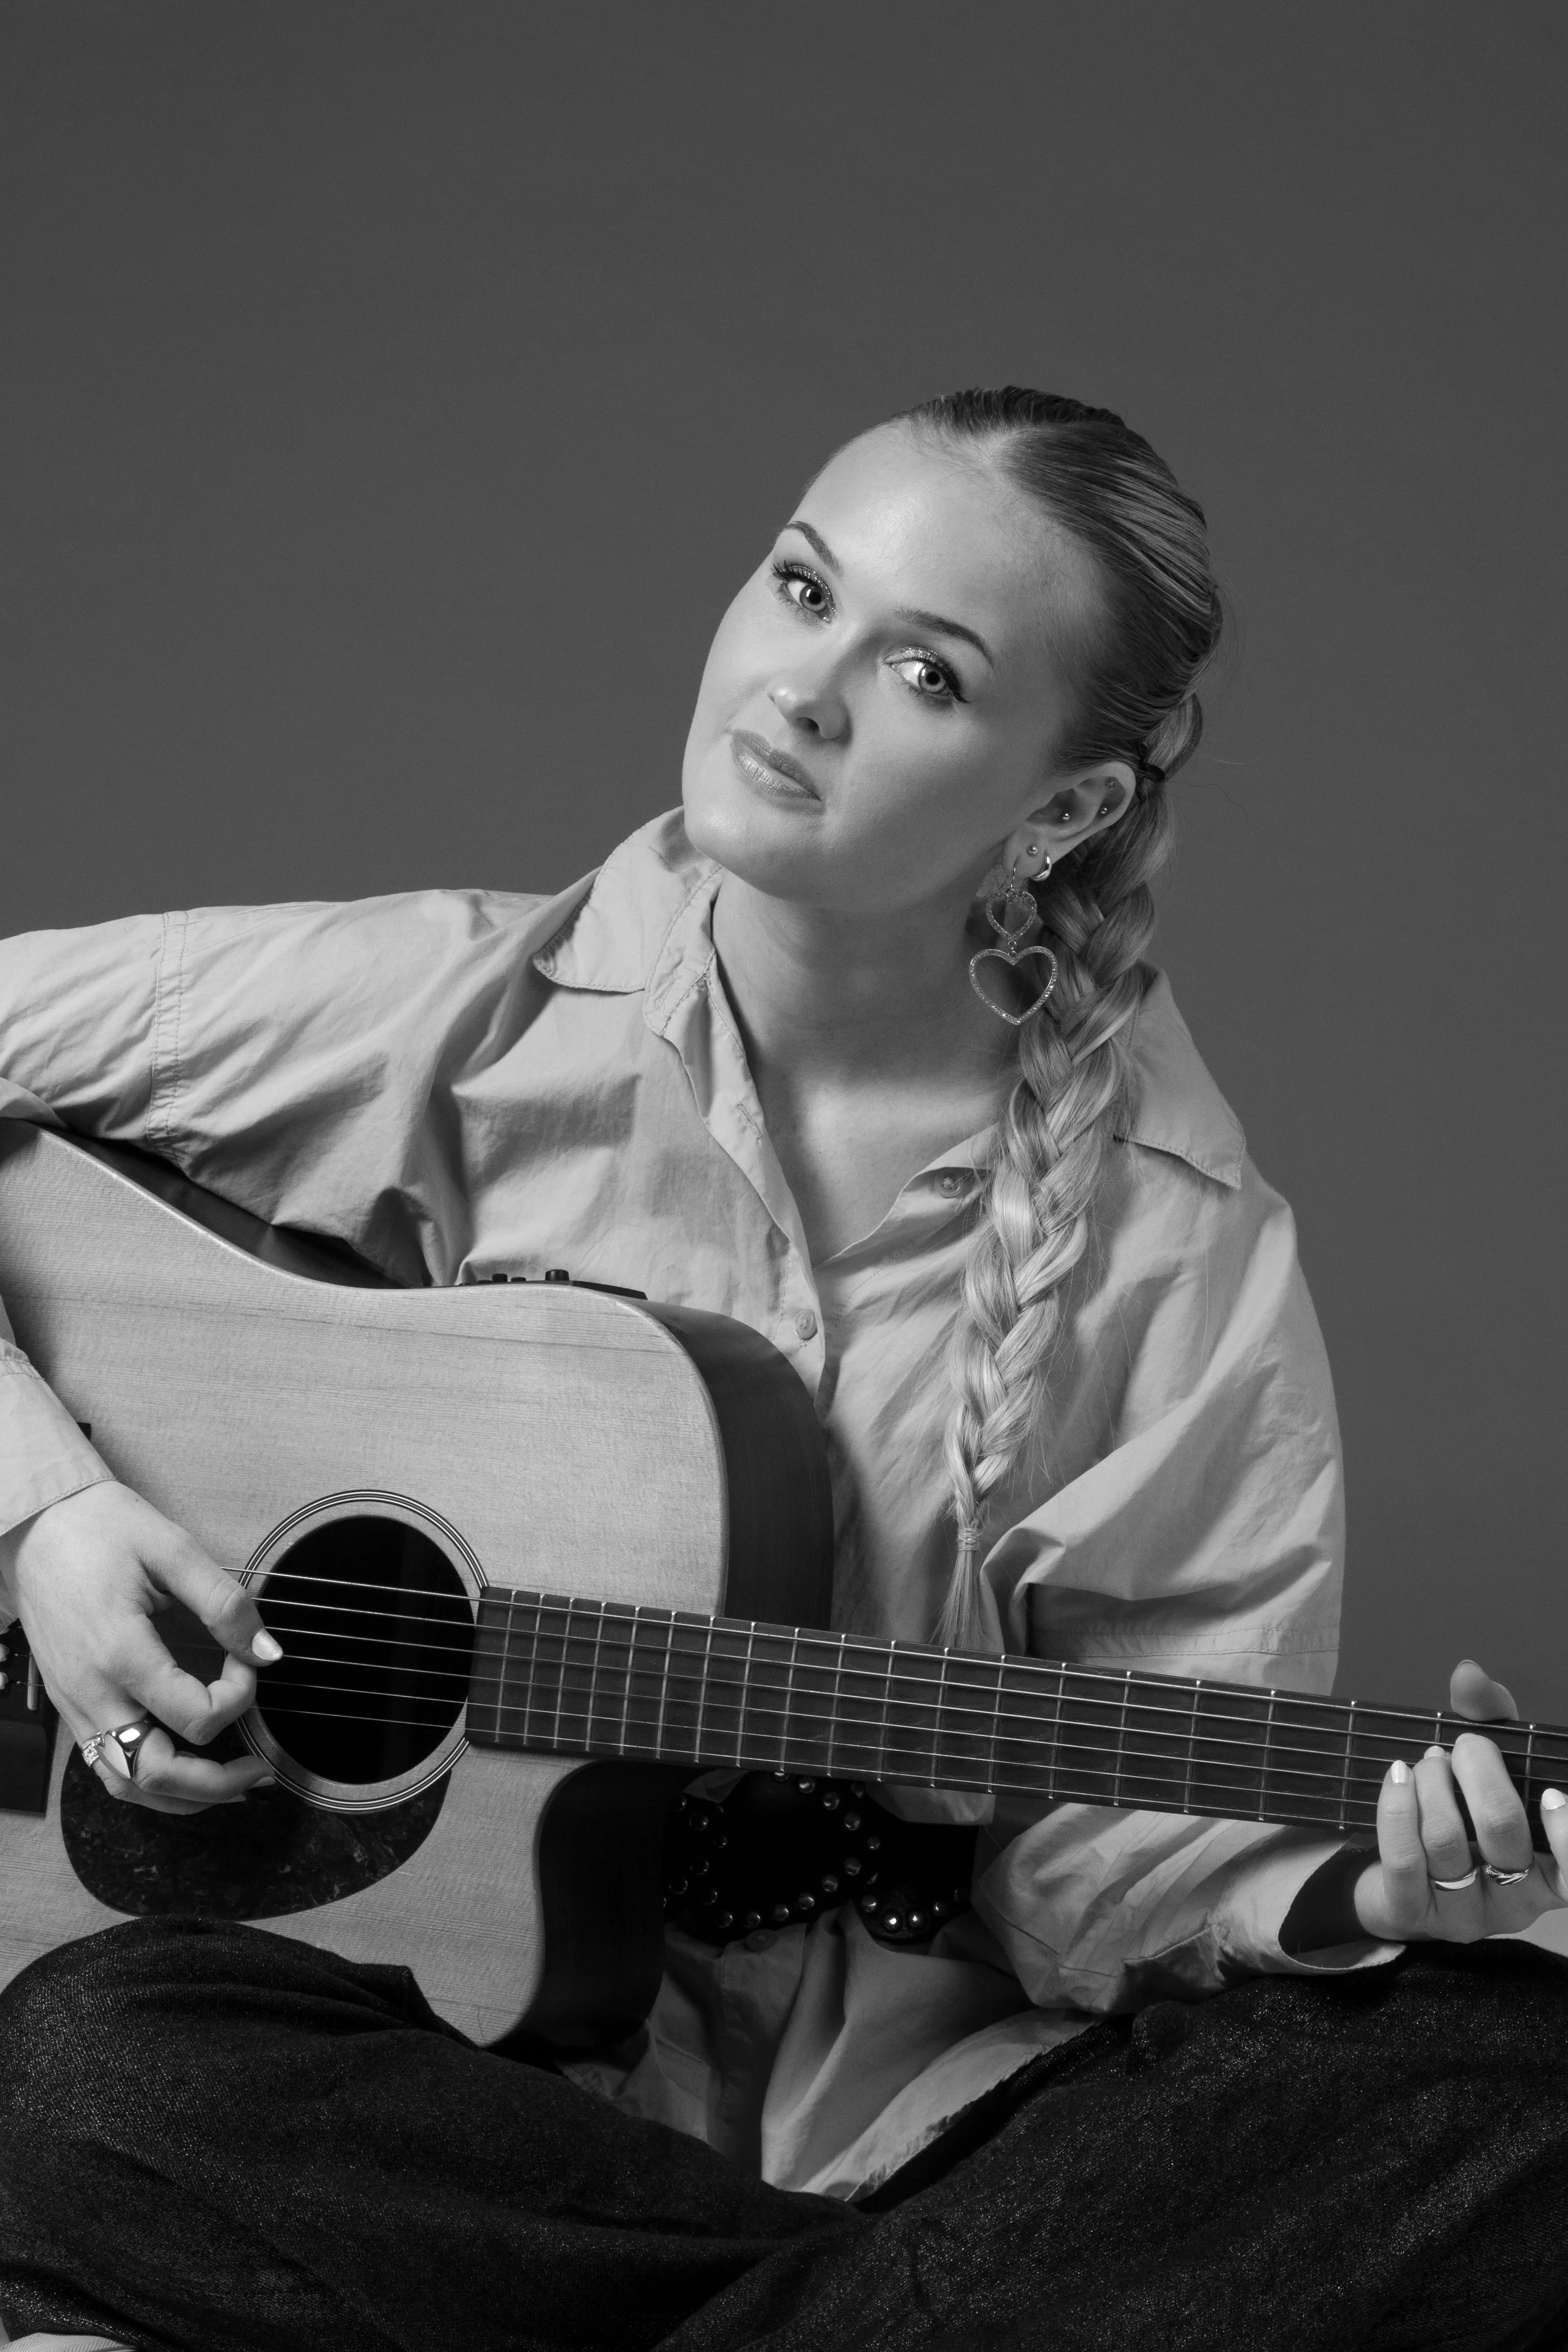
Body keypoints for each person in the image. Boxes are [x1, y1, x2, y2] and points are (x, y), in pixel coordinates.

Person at [1, 386, 1567, 2352]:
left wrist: (1369, 1903)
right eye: (800, 585)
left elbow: (1117, 1879)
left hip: (934, 2142)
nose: (801, 687)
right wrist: (50, 1513)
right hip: (443, 2094)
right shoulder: (453, 1008)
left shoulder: (1180, 1243)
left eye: (921, 668)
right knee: (86, 2063)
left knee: (1512, 2079)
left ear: (1064, 805)